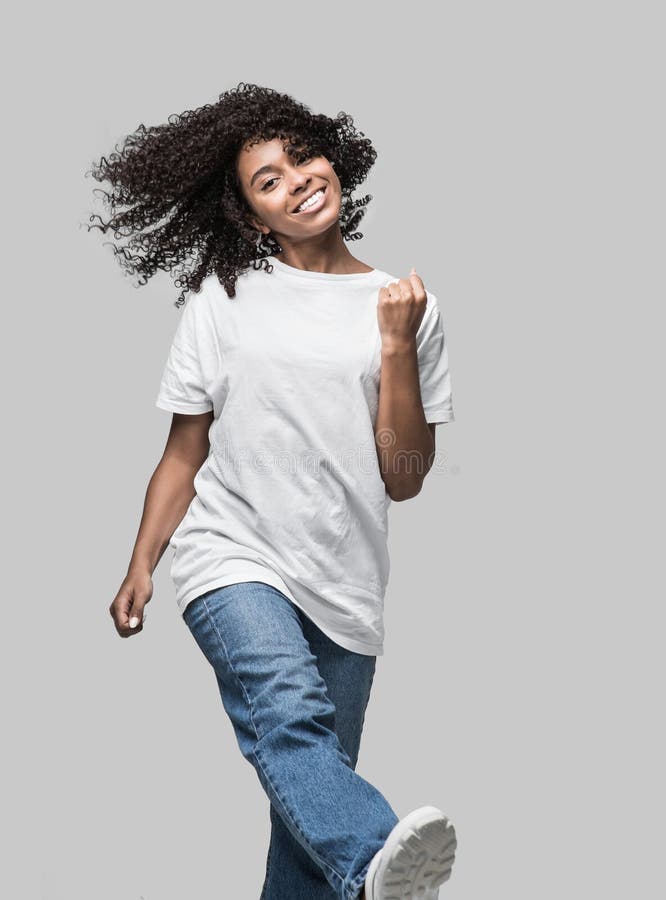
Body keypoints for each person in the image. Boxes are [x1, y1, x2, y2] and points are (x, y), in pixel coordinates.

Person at [91, 82, 458, 899]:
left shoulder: (405, 306)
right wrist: (142, 562)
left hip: (346, 581)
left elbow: (404, 476)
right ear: (254, 218)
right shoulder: (223, 302)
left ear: (335, 159)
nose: (295, 179)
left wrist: (396, 346)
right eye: (267, 179)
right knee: (291, 721)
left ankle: (352, 871)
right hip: (233, 556)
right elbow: (185, 452)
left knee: (304, 827)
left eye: (302, 156)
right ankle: (373, 861)